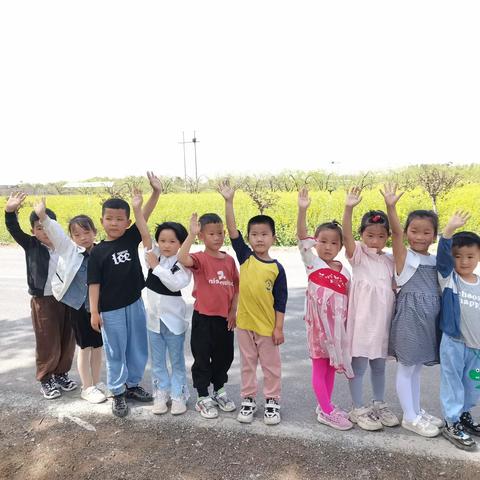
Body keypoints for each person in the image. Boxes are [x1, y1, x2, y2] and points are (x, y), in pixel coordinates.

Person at [88, 172, 161, 417]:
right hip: (110, 310)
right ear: (102, 220)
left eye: (120, 219)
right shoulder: (98, 253)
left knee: (137, 346)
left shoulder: (130, 238)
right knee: (115, 350)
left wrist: (155, 193)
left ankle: (132, 385)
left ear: (127, 222)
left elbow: (144, 216)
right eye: (109, 218)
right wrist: (95, 312)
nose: (114, 223)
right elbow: (94, 284)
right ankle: (117, 392)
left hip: (134, 303)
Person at [219, 182, 287, 425]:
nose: (259, 239)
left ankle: (272, 401)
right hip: (245, 324)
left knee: (271, 366)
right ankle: (248, 399)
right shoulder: (245, 257)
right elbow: (232, 229)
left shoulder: (277, 269)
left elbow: (281, 301)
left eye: (264, 234)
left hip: (267, 327)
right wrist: (229, 202)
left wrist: (278, 328)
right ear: (249, 238)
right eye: (255, 235)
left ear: (273, 238)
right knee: (247, 364)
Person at [382, 183, 443, 437]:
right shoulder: (405, 258)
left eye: (426, 232)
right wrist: (391, 206)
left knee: (417, 367)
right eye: (414, 231)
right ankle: (409, 417)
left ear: (434, 236)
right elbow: (394, 234)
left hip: (429, 321)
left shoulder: (435, 258)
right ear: (407, 233)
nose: (420, 236)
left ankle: (416, 409)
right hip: (409, 318)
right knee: (407, 367)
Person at [34, 198, 106, 404]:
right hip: (77, 306)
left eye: (86, 232)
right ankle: (87, 386)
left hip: (97, 308)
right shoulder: (69, 250)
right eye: (77, 234)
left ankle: (97, 382)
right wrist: (43, 217)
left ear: (94, 232)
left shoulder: (100, 251)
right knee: (85, 348)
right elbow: (55, 233)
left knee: (98, 347)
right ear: (71, 237)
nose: (83, 237)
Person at [4, 192, 76, 399]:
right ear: (32, 231)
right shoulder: (31, 245)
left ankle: (61, 374)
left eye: (46, 225)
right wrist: (10, 211)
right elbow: (13, 228)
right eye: (38, 228)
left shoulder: (65, 247)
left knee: (67, 339)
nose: (44, 231)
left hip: (67, 298)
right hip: (43, 300)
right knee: (47, 340)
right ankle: (46, 378)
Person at [297, 187, 353, 431]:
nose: (328, 246)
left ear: (341, 246)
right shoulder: (313, 262)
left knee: (331, 366)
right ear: (315, 243)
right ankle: (327, 411)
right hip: (318, 329)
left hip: (337, 331)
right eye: (323, 241)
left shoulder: (345, 270)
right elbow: (301, 238)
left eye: (334, 242)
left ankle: (325, 405)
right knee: (320, 366)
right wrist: (302, 209)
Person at [342, 187, 399, 431]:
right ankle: (357, 407)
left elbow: (399, 235)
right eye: (369, 235)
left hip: (382, 323)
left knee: (379, 364)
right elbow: (345, 236)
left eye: (380, 236)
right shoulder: (359, 256)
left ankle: (379, 403)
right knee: (360, 365)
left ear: (386, 237)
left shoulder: (389, 260)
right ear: (362, 235)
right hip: (363, 322)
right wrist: (349, 208)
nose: (374, 240)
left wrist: (391, 207)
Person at [177, 212, 239, 419]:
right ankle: (203, 396)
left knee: (224, 356)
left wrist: (233, 310)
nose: (218, 237)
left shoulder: (229, 261)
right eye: (212, 233)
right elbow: (181, 257)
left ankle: (219, 389)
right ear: (202, 236)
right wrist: (190, 235)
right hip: (203, 318)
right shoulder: (200, 259)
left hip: (224, 319)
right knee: (202, 357)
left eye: (220, 233)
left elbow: (236, 287)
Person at [135, 203, 192, 416]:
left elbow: (175, 284)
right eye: (162, 240)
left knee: (176, 361)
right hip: (153, 321)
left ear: (181, 243)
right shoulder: (153, 255)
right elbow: (144, 232)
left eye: (172, 241)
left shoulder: (184, 263)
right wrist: (137, 208)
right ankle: (161, 394)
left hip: (174, 322)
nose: (166, 245)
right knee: (157, 362)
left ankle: (178, 396)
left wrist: (156, 268)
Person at [437, 211, 480, 450]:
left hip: (477, 348)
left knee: (473, 386)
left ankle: (464, 415)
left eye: (470, 256)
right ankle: (451, 422)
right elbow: (442, 259)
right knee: (452, 383)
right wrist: (448, 232)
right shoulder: (449, 279)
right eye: (458, 256)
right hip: (455, 342)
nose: (463, 261)